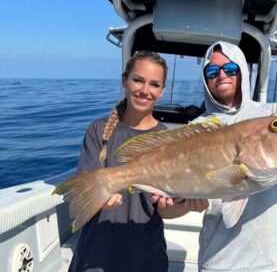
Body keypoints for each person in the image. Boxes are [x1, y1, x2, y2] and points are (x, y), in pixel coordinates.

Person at [69, 51, 206, 272]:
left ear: (162, 91)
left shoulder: (168, 140)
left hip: (146, 257)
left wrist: (188, 206)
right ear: (125, 80)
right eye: (138, 80)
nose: (145, 90)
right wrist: (99, 199)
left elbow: (164, 210)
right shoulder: (99, 130)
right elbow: (82, 194)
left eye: (154, 84)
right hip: (96, 256)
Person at [195, 41, 277, 272]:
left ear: (243, 71)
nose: (222, 75)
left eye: (231, 68)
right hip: (220, 261)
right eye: (213, 71)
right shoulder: (197, 128)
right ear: (206, 79)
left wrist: (266, 165)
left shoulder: (273, 114)